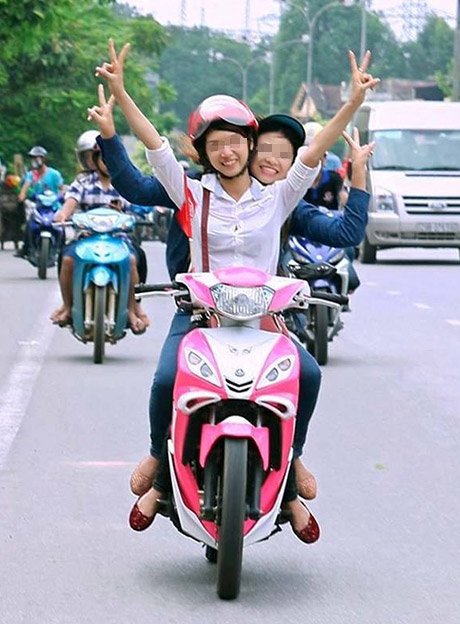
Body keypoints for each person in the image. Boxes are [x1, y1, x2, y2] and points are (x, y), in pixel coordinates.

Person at [89, 39, 378, 540]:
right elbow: (155, 147)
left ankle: (292, 464)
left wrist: (353, 102)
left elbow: (316, 150)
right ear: (203, 152)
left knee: (309, 375)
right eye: (215, 144)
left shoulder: (280, 196)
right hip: (201, 316)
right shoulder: (190, 193)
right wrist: (120, 95)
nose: (226, 151)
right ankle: (158, 459)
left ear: (250, 142)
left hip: (263, 319)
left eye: (235, 141)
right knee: (165, 379)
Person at [50, 130, 149, 333]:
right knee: (66, 259)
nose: (107, 162)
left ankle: (133, 309)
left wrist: (133, 215)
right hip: (86, 239)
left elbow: (137, 207)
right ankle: (67, 307)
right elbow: (70, 202)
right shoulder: (82, 183)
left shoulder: (126, 184)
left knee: (133, 260)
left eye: (111, 158)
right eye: (103, 157)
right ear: (95, 160)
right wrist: (62, 215)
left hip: (120, 239)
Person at [15, 146, 65, 257]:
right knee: (29, 223)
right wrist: (22, 195)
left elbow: (62, 188)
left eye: (36, 158)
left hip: (53, 207)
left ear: (43, 159)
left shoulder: (54, 174)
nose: (34, 160)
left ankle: (63, 249)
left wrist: (62, 195)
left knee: (61, 225)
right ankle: (25, 248)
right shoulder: (31, 175)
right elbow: (26, 186)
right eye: (32, 158)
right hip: (38, 207)